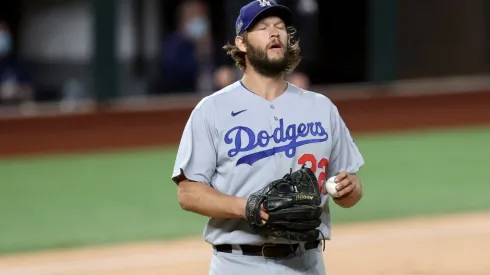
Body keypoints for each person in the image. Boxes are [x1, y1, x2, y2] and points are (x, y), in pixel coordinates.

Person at [171, 1, 365, 274]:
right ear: (242, 43)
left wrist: (350, 189)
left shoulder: (321, 108)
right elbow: (188, 192)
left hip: (307, 263)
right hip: (239, 264)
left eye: (280, 28)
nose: (274, 33)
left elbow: (350, 186)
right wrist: (246, 207)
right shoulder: (212, 111)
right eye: (262, 28)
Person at [0, 20, 35, 106]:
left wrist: (15, 92)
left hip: (14, 111)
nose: (2, 38)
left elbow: (30, 91)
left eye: (4, 33)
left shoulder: (15, 63)